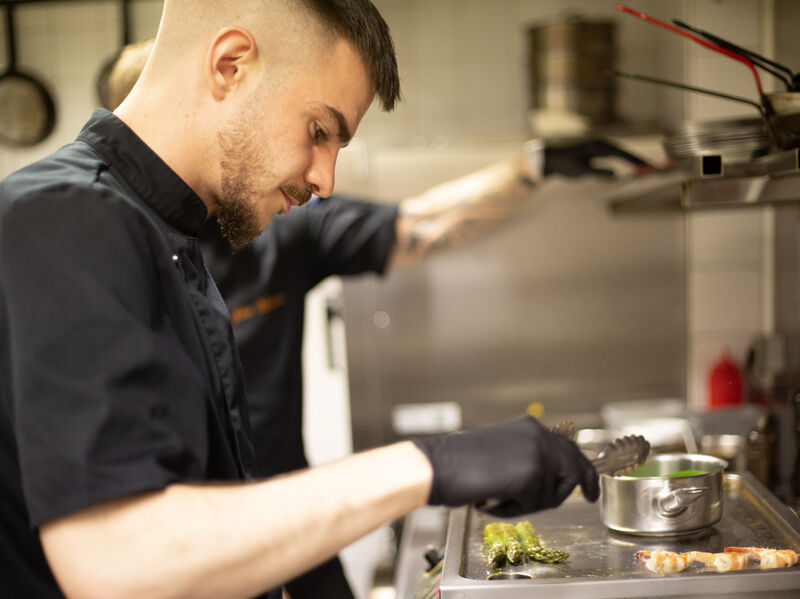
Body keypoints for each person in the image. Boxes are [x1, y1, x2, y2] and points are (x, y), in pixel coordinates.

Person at [0, 2, 600, 598]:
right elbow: (120, 564)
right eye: (318, 131)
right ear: (231, 65)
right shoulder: (68, 219)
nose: (325, 181)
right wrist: (429, 464)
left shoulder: (169, 231)